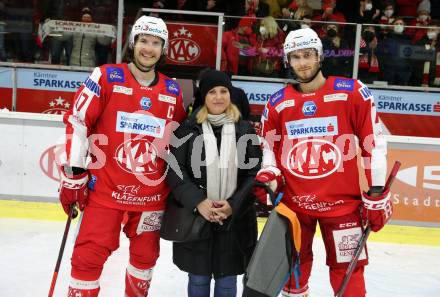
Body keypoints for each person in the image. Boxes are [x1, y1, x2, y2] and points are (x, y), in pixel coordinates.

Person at [253, 28, 390, 297]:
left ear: (319, 56)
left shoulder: (352, 92)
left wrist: (376, 194)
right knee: (292, 270)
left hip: (343, 207)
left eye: (308, 55)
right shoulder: (278, 102)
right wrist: (268, 174)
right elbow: (269, 149)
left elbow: (373, 144)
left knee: (347, 275)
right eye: (296, 57)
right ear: (287, 61)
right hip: (295, 207)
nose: (302, 63)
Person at [58, 15, 186, 296]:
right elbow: (78, 123)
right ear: (133, 43)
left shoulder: (172, 90)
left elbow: (178, 143)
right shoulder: (105, 76)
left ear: (163, 49)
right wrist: (75, 174)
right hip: (105, 192)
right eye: (143, 41)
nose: (148, 48)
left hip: (151, 196)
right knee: (87, 258)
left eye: (155, 43)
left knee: (145, 260)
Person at [166, 69, 262, 297]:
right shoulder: (187, 129)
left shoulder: (245, 129)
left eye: (223, 91)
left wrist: (233, 205)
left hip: (234, 221)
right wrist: (199, 202)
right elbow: (175, 171)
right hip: (197, 219)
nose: (218, 97)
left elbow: (254, 174)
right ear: (203, 96)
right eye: (212, 92)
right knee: (198, 280)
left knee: (227, 282)